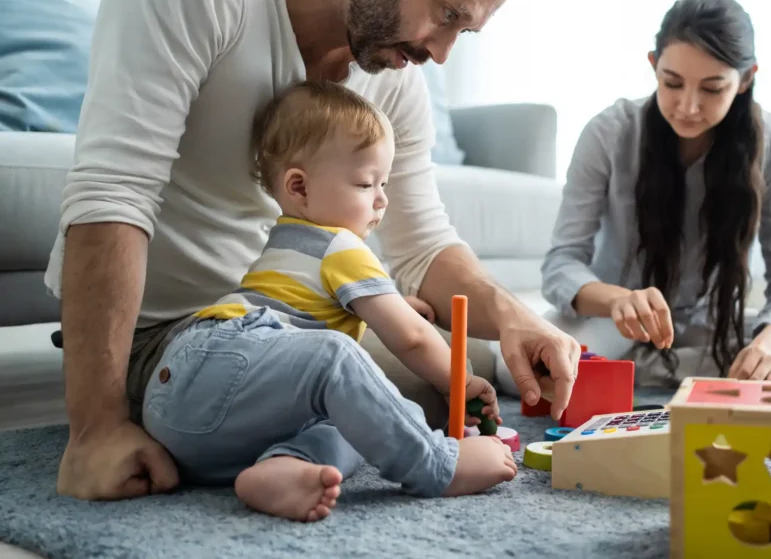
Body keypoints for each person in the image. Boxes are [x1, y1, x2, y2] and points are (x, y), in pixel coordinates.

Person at [46, 0, 580, 502]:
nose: (441, 53)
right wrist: (95, 429)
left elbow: (422, 241)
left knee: (422, 394)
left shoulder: (393, 78)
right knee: (367, 380)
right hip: (171, 342)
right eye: (447, 16)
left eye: (464, 34)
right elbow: (113, 192)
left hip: (285, 332)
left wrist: (517, 318)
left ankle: (287, 465)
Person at [141, 81, 515, 522]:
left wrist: (389, 302)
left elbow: (316, 305)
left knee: (361, 417)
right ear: (298, 187)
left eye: (384, 183)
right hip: (222, 355)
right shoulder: (342, 246)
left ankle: (285, 466)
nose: (382, 199)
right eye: (364, 183)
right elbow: (413, 339)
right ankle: (436, 465)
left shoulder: (285, 242)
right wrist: (460, 382)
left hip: (180, 416)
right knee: (340, 358)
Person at [495, 0, 771, 395]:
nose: (688, 106)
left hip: (712, 324)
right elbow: (561, 265)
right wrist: (619, 300)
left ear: (745, 79)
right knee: (512, 368)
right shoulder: (608, 132)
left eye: (712, 89)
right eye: (672, 83)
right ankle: (698, 376)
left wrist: (766, 348)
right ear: (653, 66)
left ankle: (639, 375)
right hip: (612, 324)